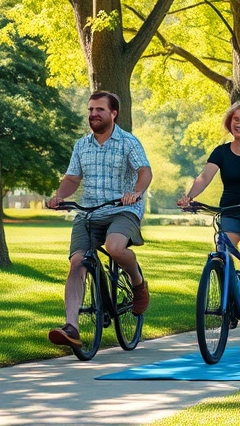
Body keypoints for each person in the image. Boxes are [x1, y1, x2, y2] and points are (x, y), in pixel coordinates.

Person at [47, 91, 153, 348]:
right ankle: (71, 327)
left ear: (113, 113)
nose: (93, 114)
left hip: (122, 210)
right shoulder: (81, 145)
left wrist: (136, 192)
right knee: (77, 262)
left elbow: (144, 171)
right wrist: (59, 196)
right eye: (90, 110)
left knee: (115, 247)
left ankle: (137, 283)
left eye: (99, 110)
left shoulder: (128, 142)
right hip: (88, 213)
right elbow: (72, 178)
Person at [178, 101, 240, 322]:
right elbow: (204, 177)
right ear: (229, 124)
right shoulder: (221, 152)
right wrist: (189, 197)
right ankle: (230, 300)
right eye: (235, 119)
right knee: (223, 252)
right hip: (230, 212)